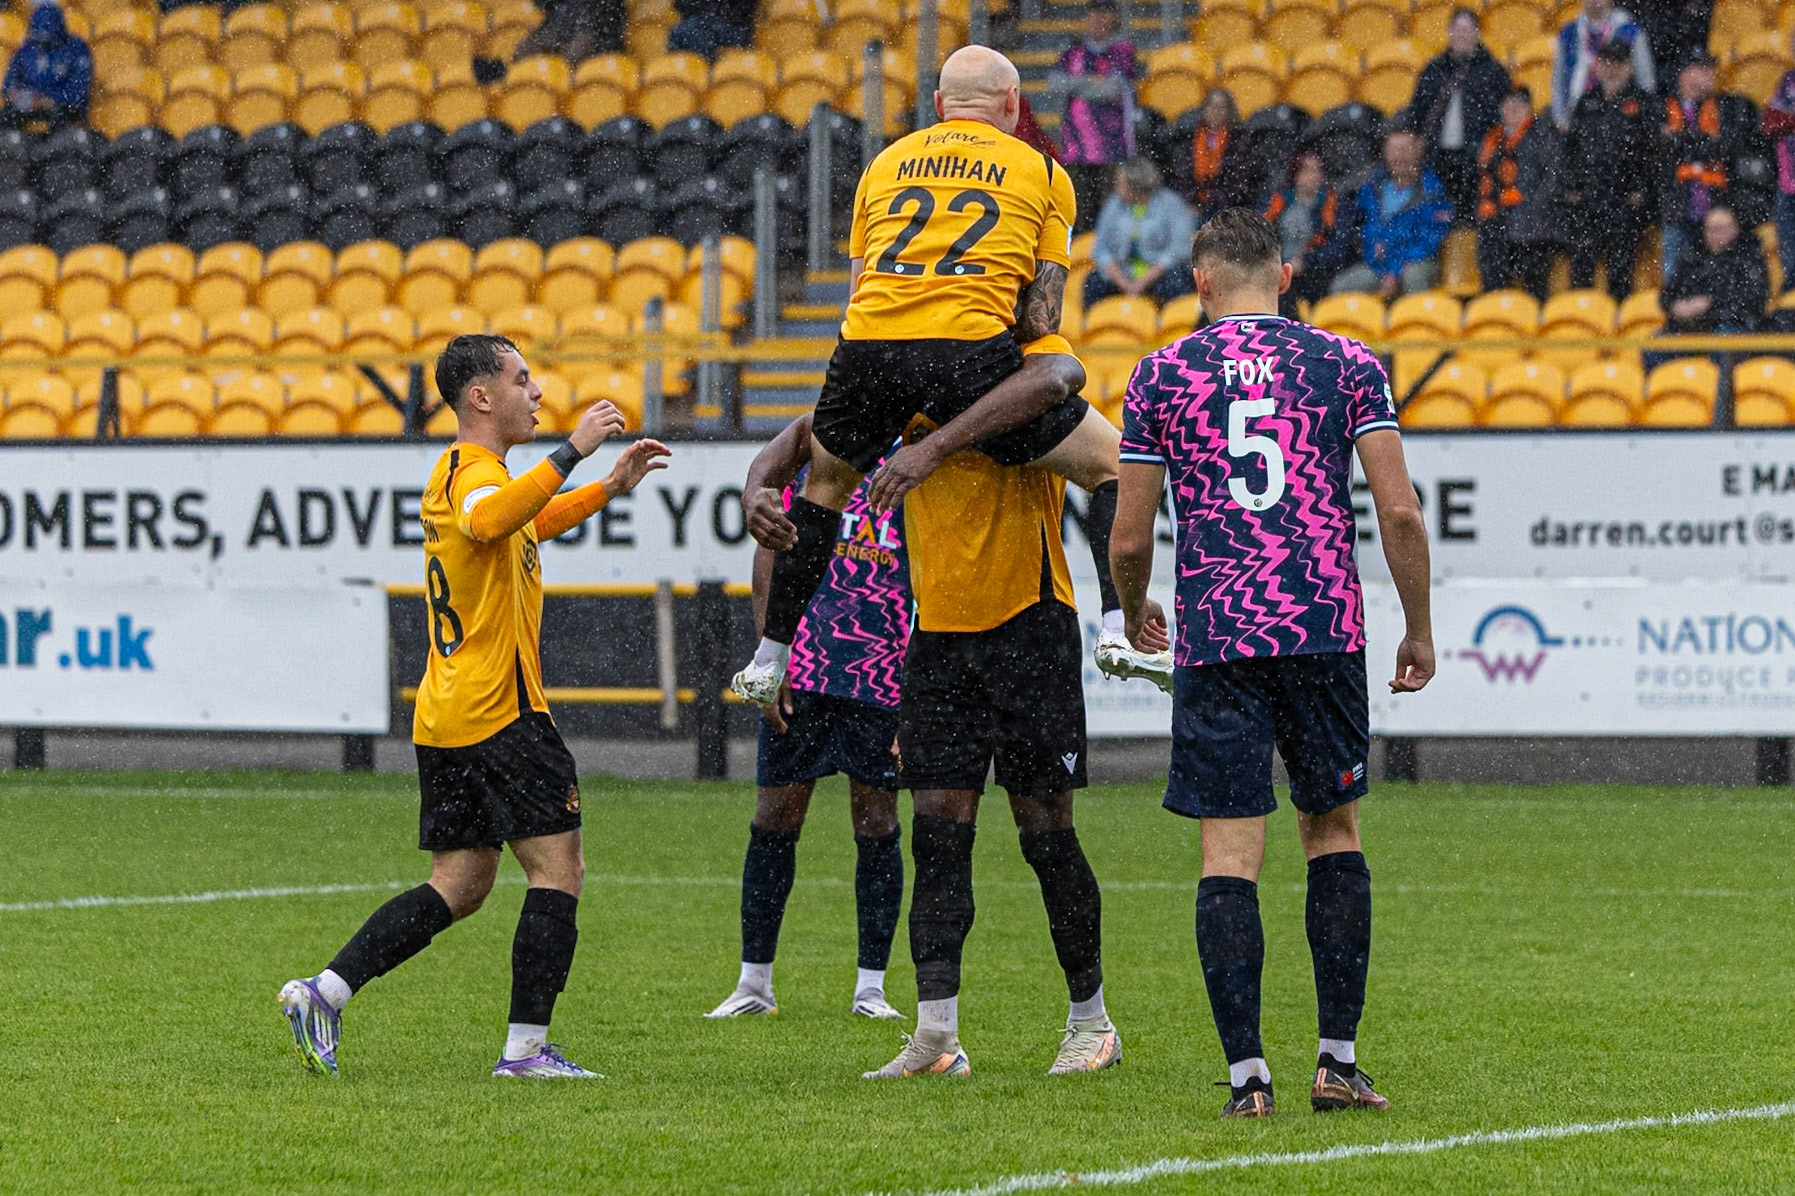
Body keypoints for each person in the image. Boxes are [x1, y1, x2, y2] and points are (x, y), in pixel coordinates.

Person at [1109, 208, 1434, 1119]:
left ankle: (1248, 1076)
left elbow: (1130, 534)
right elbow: (1400, 514)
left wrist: (1135, 614)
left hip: (1220, 635)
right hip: (1323, 626)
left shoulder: (1161, 373)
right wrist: (1418, 628)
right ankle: (1335, 1061)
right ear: (1284, 275)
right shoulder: (1345, 363)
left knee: (1228, 854)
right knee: (1332, 834)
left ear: (1200, 281)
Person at [277, 335, 670, 1079]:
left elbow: (520, 522)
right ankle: (525, 1051)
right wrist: (573, 451)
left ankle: (324, 993)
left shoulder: (474, 477)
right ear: (481, 397)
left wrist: (607, 489)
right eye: (523, 380)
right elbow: (493, 522)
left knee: (459, 884)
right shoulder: (472, 472)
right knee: (559, 869)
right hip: (502, 711)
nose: (538, 394)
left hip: (449, 714)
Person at [729, 46, 1134, 710]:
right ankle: (1117, 628)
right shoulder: (1040, 169)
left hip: (868, 347)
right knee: (1109, 463)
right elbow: (1040, 312)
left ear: (940, 106)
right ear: (1011, 104)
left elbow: (859, 291)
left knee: (826, 490)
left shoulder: (883, 165)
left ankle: (769, 656)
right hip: (966, 348)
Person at [851, 335, 1166, 1080]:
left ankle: (1091, 1023)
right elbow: (817, 440)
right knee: (935, 836)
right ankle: (934, 1037)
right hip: (938, 637)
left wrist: (1115, 596)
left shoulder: (1030, 369)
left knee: (1045, 835)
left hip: (1030, 626)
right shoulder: (897, 378)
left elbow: (1114, 469)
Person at [706, 414, 909, 1023]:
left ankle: (871, 988)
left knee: (876, 818)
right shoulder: (823, 430)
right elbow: (771, 554)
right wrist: (771, 657)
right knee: (775, 814)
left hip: (884, 665)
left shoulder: (924, 447)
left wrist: (919, 688)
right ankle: (753, 984)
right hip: (806, 664)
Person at [1562, 40, 1657, 298]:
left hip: (1623, 199)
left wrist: (1641, 190)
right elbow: (1571, 149)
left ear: (1629, 66)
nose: (1612, 68)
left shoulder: (1643, 103)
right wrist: (1572, 188)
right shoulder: (1586, 102)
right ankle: (1583, 325)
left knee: (1620, 269)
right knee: (1581, 269)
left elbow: (1652, 153)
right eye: (1606, 62)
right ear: (1598, 66)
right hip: (1588, 199)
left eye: (1618, 62)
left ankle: (1618, 327)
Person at [1658, 53, 1757, 282]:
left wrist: (1681, 142)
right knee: (1674, 279)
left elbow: (1728, 148)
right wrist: (1704, 144)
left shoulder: (1728, 106)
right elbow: (1658, 151)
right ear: (1684, 73)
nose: (1710, 73)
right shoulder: (1662, 106)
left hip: (1715, 209)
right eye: (1702, 68)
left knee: (1717, 280)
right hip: (1677, 208)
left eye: (1711, 68)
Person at [1410, 9, 1512, 223]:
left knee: (1475, 220)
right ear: (1449, 32)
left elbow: (1502, 117)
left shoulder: (1493, 71)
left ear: (1477, 32)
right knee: (1437, 218)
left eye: (1468, 29)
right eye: (1458, 29)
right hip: (1438, 158)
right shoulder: (1434, 69)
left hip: (1477, 158)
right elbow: (1418, 111)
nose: (1463, 35)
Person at [1048, 0, 1140, 233]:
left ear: (1115, 17)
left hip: (1113, 146)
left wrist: (1077, 85)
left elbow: (1113, 89)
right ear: (1087, 15)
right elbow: (1055, 82)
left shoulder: (1122, 50)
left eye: (1105, 12)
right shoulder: (1074, 50)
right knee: (1078, 212)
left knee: (1112, 213)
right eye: (1095, 12)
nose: (1100, 18)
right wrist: (1093, 84)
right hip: (1075, 146)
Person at [1330, 130, 1452, 299]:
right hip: (1379, 265)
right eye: (1394, 150)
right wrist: (1379, 257)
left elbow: (1429, 239)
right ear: (1385, 153)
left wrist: (1395, 269)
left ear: (1418, 151)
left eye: (1405, 149)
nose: (1399, 156)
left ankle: (1415, 324)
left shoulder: (1432, 191)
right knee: (1342, 286)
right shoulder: (1372, 189)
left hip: (1415, 263)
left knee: (1413, 277)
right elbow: (1367, 230)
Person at [1474, 87, 1563, 300]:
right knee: (1491, 252)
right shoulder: (1492, 139)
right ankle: (1496, 310)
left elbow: (1553, 179)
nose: (1513, 109)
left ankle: (1533, 310)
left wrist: (1532, 207)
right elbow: (1484, 180)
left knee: (1533, 266)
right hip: (1498, 219)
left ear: (1529, 108)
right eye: (1508, 103)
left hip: (1535, 221)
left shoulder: (1542, 134)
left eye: (1520, 104)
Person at [1083, 157, 1196, 308]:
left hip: (1160, 274)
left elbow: (1179, 250)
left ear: (1135, 185)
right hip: (1122, 273)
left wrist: (1143, 282)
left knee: (1177, 283)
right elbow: (1100, 249)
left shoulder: (1171, 204)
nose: (1117, 189)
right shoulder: (1113, 204)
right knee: (1093, 283)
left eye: (1121, 184)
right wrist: (1123, 283)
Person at [1263, 151, 1354, 314]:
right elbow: (1259, 235)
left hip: (1313, 273)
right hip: (1277, 270)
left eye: (1317, 170)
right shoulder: (1277, 204)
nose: (1312, 176)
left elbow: (1338, 249)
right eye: (1306, 170)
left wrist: (1305, 261)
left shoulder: (1334, 206)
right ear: (1295, 174)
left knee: (1288, 289)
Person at [1660, 205, 1768, 338]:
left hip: (1730, 326)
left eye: (1720, 229)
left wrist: (1708, 305)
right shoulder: (1693, 254)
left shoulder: (1748, 257)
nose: (1714, 234)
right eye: (1710, 229)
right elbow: (1667, 294)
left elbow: (1751, 300)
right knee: (1653, 346)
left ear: (1735, 229)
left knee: (1723, 338)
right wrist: (1676, 307)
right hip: (1689, 327)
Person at [1551, 0, 1655, 131]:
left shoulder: (1630, 30)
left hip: (1624, 118)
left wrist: (1645, 113)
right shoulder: (1568, 33)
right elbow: (1559, 80)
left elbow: (1646, 79)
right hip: (1580, 115)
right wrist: (1561, 119)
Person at [1, 3, 91, 130]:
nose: (43, 43)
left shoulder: (76, 49)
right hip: (30, 106)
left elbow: (79, 90)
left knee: (64, 118)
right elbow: (8, 84)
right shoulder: (27, 49)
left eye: (47, 38)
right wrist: (22, 96)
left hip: (62, 108)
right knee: (7, 117)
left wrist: (50, 99)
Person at [1186, 88, 1260, 222]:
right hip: (1194, 204)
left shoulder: (1239, 140)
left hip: (1226, 205)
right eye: (1212, 106)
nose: (1216, 111)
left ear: (1229, 111)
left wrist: (1216, 199)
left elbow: (1239, 179)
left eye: (1222, 107)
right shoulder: (1190, 138)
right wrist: (1193, 199)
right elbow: (1183, 174)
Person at [1763, 37, 1795, 291]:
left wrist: (1788, 119)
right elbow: (1770, 124)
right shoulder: (1788, 81)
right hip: (1789, 184)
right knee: (1790, 260)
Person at [666, 0, 757, 59]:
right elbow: (681, 6)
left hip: (732, 26)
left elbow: (746, 10)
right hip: (697, 24)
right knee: (683, 32)